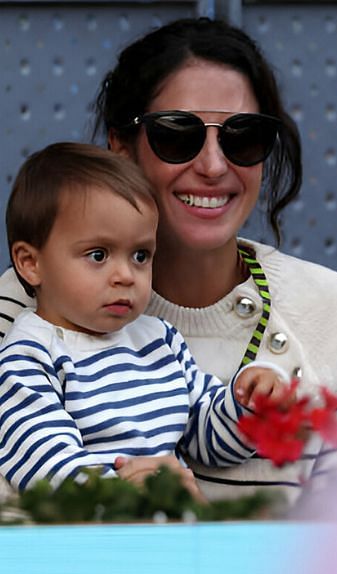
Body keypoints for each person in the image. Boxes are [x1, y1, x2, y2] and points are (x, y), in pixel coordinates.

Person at [0, 18, 337, 504]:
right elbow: (37, 470)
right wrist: (125, 496)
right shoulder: (18, 318)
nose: (214, 165)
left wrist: (249, 403)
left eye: (243, 137)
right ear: (121, 147)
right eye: (177, 134)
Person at [0, 142, 288, 495]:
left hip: (172, 527)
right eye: (98, 254)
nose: (125, 275)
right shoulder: (28, 356)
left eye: (140, 255)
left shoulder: (158, 339)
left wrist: (246, 401)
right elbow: (47, 466)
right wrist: (130, 497)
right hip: (100, 535)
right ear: (31, 263)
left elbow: (207, 437)